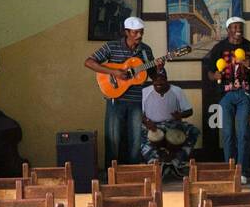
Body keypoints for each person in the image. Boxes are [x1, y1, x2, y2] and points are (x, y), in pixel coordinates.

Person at [85, 16, 158, 172]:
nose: (139, 36)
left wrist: (158, 68)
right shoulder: (112, 47)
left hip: (136, 101)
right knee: (113, 140)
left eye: (141, 32)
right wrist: (114, 72)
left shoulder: (146, 50)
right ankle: (111, 175)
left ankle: (132, 175)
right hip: (115, 100)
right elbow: (89, 62)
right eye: (135, 33)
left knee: (135, 140)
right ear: (126, 32)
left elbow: (153, 75)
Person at [206, 16, 250, 183]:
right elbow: (210, 72)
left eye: (240, 27)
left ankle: (243, 171)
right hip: (225, 96)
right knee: (228, 134)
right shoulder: (219, 48)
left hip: (244, 94)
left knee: (243, 133)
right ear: (228, 29)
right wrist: (214, 75)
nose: (238, 29)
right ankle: (230, 170)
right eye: (235, 27)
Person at [139, 69, 200, 178]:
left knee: (194, 131)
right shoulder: (145, 92)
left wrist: (180, 115)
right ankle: (156, 164)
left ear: (167, 80)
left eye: (161, 79)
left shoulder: (177, 91)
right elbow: (139, 113)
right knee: (139, 133)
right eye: (155, 80)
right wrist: (147, 122)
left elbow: (189, 111)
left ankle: (177, 161)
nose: (158, 83)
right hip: (152, 125)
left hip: (172, 124)